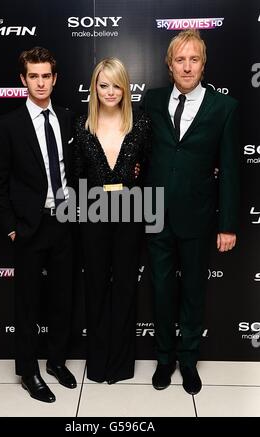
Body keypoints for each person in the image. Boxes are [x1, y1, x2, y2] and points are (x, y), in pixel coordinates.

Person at [142, 29, 240, 395]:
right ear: (169, 65)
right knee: (162, 291)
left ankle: (188, 360)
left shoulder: (224, 108)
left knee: (194, 293)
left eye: (193, 59)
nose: (187, 67)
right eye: (179, 60)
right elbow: (139, 153)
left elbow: (230, 168)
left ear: (203, 63)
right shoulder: (151, 101)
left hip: (198, 216)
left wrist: (227, 223)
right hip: (154, 214)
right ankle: (164, 358)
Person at [0, 47, 77, 403]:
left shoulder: (69, 119)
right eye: (33, 76)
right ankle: (28, 371)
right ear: (23, 80)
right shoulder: (5, 126)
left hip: (65, 224)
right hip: (29, 226)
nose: (40, 83)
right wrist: (12, 226)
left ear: (55, 79)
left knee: (62, 299)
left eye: (46, 76)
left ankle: (56, 361)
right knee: (26, 304)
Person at [74, 57, 151, 384]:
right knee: (95, 287)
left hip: (131, 211)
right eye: (103, 85)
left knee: (123, 287)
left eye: (116, 85)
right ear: (94, 88)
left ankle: (120, 365)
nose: (110, 91)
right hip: (93, 212)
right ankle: (99, 362)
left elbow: (149, 172)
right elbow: (76, 176)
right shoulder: (82, 125)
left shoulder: (142, 123)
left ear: (125, 87)